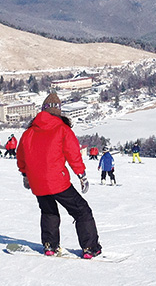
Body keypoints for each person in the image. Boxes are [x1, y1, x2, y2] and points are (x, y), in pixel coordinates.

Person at [17, 92, 102, 259]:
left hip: (37, 182)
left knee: (48, 211)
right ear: (58, 111)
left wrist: (25, 174)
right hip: (57, 180)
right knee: (81, 211)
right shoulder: (62, 129)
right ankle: (90, 247)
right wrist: (81, 175)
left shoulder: (29, 133)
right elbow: (73, 154)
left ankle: (50, 245)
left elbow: (21, 156)